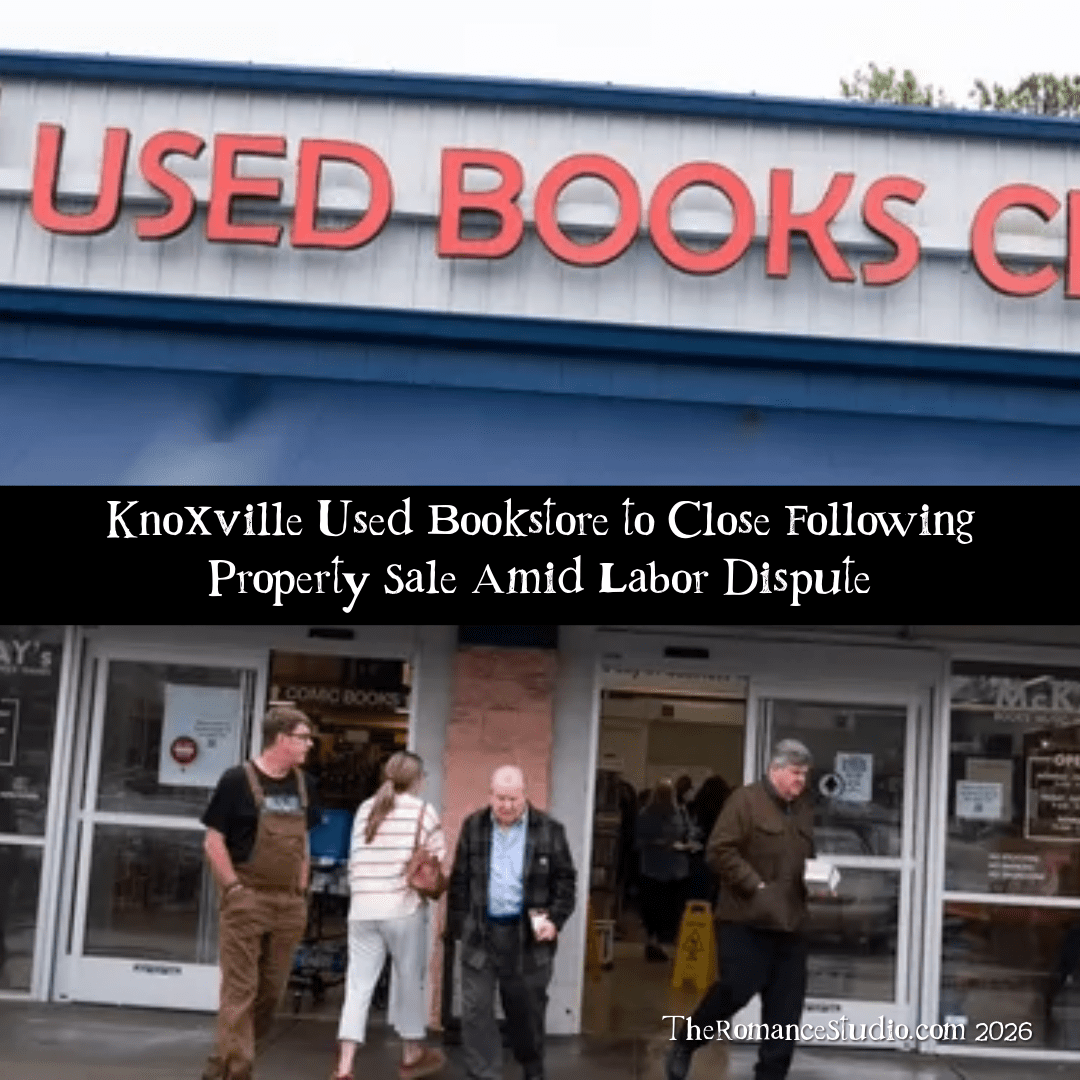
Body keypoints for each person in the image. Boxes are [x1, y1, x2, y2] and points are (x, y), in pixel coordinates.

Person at [666, 740, 816, 1080]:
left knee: (785, 1014)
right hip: (746, 920)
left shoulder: (804, 808)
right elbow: (719, 851)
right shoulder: (745, 802)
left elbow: (804, 858)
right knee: (736, 989)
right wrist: (755, 886)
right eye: (794, 773)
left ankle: (771, 1075)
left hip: (791, 924)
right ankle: (687, 1042)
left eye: (804, 774)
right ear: (774, 770)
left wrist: (819, 882)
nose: (800, 781)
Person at [201, 704, 320, 1080]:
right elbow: (213, 841)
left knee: (272, 993)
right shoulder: (237, 780)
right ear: (281, 738)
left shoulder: (306, 785)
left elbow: (304, 841)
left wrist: (301, 888)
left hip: (289, 904)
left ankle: (220, 1064)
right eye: (303, 738)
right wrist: (233, 889)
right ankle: (239, 1070)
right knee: (241, 990)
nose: (310, 745)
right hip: (247, 898)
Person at [447, 765, 577, 1080]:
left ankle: (531, 1066)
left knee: (526, 1010)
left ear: (525, 795)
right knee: (476, 1010)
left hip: (527, 938)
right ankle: (483, 1072)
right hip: (481, 931)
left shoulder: (549, 830)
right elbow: (459, 881)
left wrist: (555, 920)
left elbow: (566, 882)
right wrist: (460, 927)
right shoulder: (474, 826)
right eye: (500, 798)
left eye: (513, 799)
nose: (506, 806)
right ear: (490, 795)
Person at [333, 751, 447, 1080]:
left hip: (362, 909)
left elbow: (355, 857)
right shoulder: (424, 811)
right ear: (418, 779)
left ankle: (345, 1066)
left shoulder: (365, 809)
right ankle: (411, 1053)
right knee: (409, 979)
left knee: (358, 986)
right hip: (402, 909)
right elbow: (437, 860)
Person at [635, 778, 692, 961]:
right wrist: (665, 844)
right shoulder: (648, 814)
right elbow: (638, 841)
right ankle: (655, 942)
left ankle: (658, 942)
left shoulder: (679, 813)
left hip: (664, 870)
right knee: (657, 910)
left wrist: (687, 844)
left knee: (663, 911)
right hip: (661, 870)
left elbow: (688, 833)